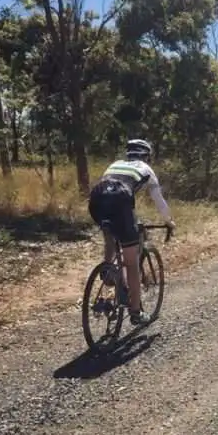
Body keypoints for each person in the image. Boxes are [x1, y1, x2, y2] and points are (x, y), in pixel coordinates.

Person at [88, 139, 175, 325]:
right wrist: (169, 222)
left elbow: (109, 189)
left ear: (128, 154)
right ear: (146, 156)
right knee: (132, 262)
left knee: (110, 237)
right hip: (121, 201)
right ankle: (136, 312)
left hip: (96, 200)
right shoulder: (146, 169)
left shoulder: (114, 165)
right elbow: (159, 201)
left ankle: (108, 271)